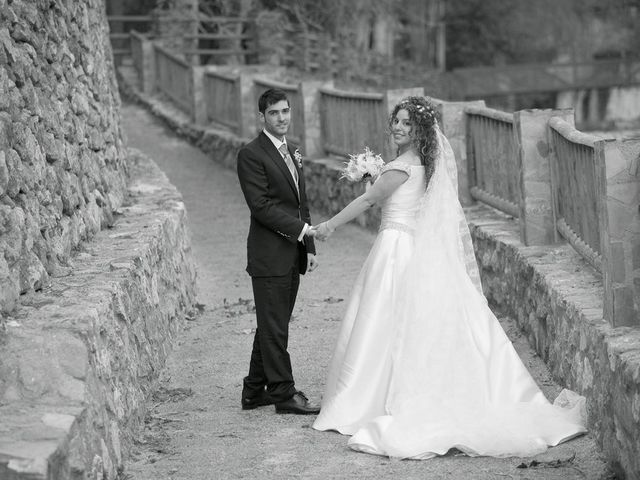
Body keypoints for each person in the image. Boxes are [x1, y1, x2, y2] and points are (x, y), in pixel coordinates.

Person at [310, 96, 586, 458]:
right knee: (403, 323)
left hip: (396, 249)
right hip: (410, 245)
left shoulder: (400, 168)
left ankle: (367, 400)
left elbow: (366, 202)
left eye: (407, 123)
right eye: (396, 120)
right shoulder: (426, 164)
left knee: (383, 320)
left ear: (419, 130)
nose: (398, 127)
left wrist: (327, 226)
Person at [236, 88, 320, 415]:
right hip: (269, 255)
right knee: (274, 325)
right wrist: (300, 230)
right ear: (262, 117)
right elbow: (260, 207)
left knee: (274, 323)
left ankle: (254, 391)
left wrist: (308, 244)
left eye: (285, 111)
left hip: (292, 252)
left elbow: (302, 202)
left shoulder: (292, 151)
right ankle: (284, 393)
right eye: (274, 113)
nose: (282, 118)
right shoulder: (251, 154)